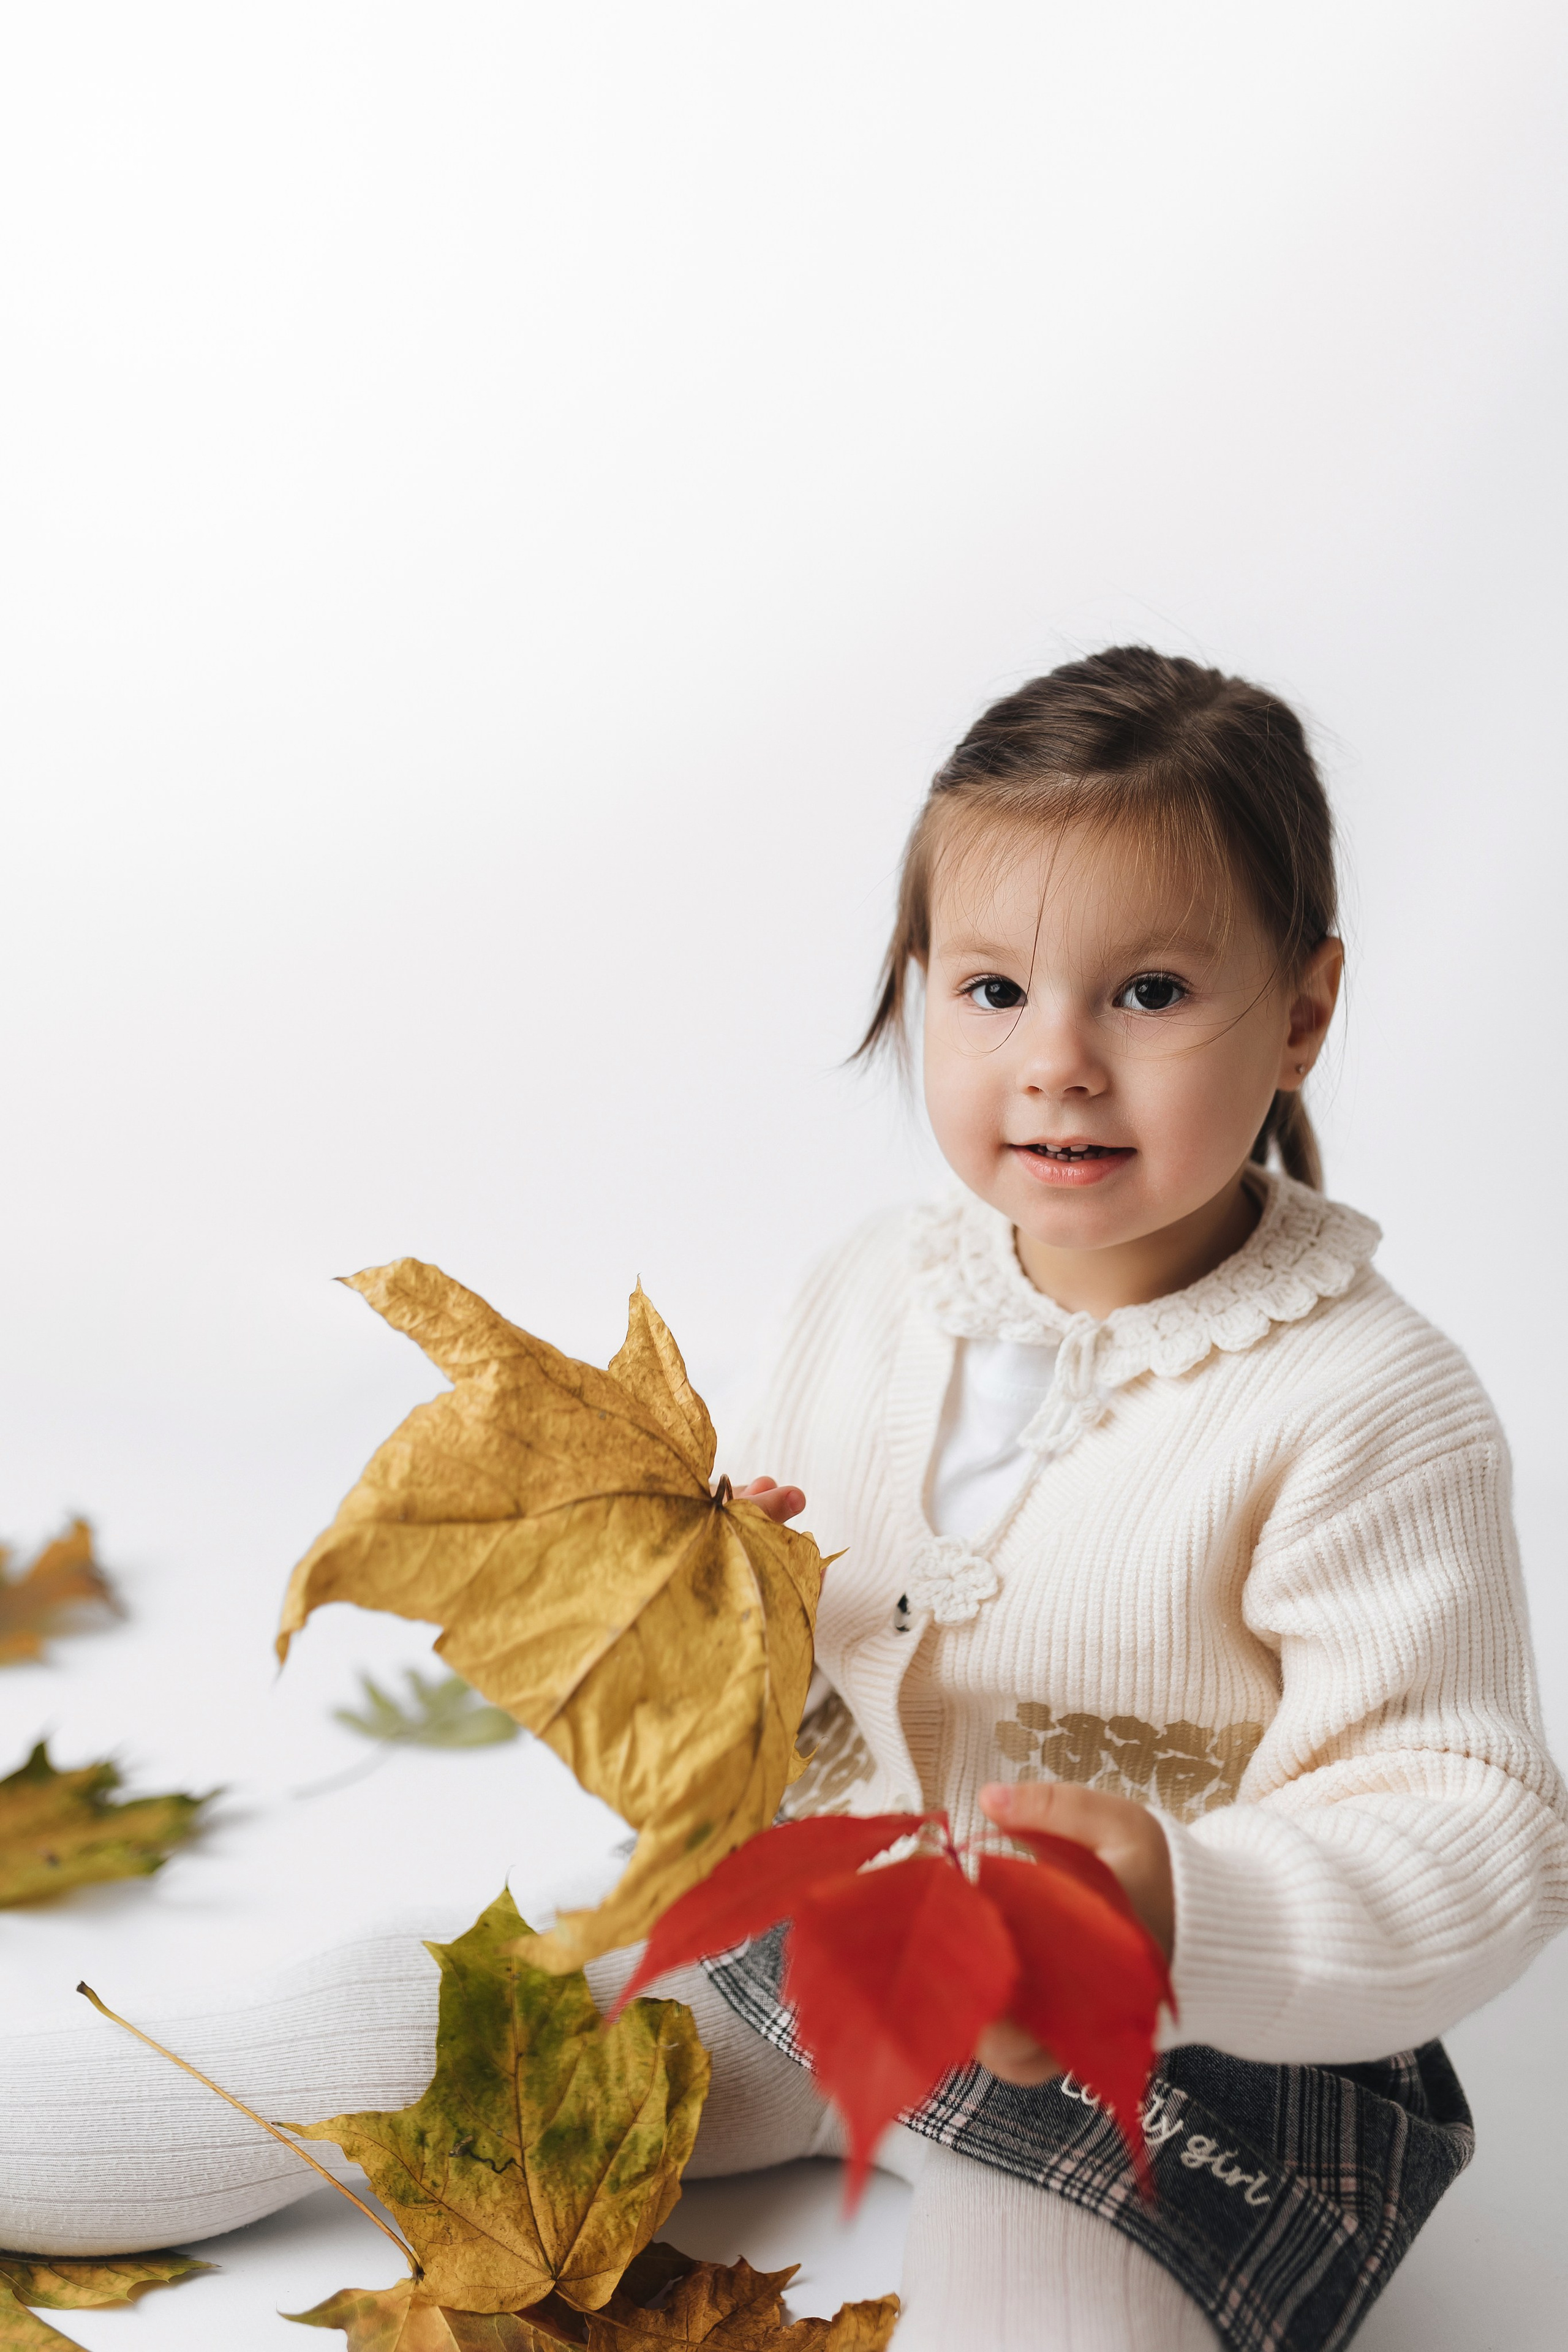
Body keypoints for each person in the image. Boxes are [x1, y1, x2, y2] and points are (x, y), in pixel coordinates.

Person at [4, 649, 1563, 2351]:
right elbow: (783, 1623)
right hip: (809, 1946)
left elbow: (1471, 1811)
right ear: (916, 985)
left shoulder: (1367, 1405)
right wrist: (704, 1595)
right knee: (406, 2007)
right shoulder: (873, 1293)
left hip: (1155, 2047)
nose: (1057, 1062)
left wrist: (1187, 1907)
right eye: (991, 992)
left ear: (1304, 1012)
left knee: (1043, 2317)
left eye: (1149, 992)